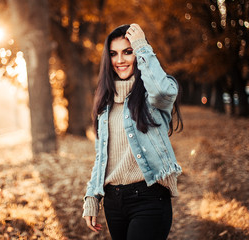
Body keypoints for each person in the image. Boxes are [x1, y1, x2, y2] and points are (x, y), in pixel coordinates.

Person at [82, 23, 183, 240]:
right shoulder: (105, 103)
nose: (120, 60)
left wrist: (141, 45)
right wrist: (92, 197)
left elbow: (162, 91)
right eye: (114, 54)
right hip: (113, 203)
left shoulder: (153, 95)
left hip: (149, 199)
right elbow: (102, 157)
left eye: (128, 52)